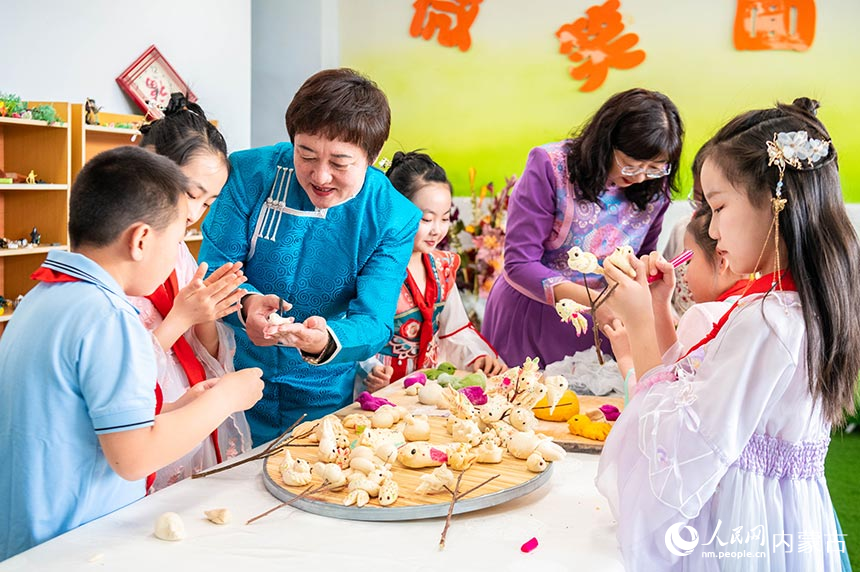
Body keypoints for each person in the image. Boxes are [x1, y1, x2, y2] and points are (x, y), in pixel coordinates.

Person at [596, 97, 859, 570]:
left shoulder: (767, 321)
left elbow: (682, 448)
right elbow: (693, 388)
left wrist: (637, 320)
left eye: (718, 207)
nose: (713, 231)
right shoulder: (795, 306)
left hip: (738, 527)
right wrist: (656, 307)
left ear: (776, 204)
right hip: (779, 518)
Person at [0, 146, 264, 560]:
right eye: (178, 240)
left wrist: (177, 407)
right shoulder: (108, 316)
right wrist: (225, 398)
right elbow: (134, 458)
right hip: (73, 545)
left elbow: (79, 422)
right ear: (141, 239)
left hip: (28, 534)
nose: (178, 254)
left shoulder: (43, 297)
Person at [199, 68, 421, 444]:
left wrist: (324, 340)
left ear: (373, 155)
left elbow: (373, 319)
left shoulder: (392, 216)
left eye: (339, 163)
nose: (320, 176)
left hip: (324, 383)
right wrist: (248, 305)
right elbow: (215, 266)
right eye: (306, 154)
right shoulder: (250, 173)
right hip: (231, 367)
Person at [482, 88, 684, 368]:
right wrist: (595, 302)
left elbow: (641, 258)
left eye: (653, 168)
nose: (639, 177)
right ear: (605, 143)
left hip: (606, 327)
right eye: (629, 165)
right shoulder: (550, 167)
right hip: (534, 315)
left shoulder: (654, 189)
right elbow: (519, 263)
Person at [132, 93, 252, 492]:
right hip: (144, 416)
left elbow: (205, 347)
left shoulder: (180, 250)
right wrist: (182, 316)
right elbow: (119, 369)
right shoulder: (119, 253)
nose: (195, 212)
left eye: (209, 201)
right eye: (192, 193)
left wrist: (209, 312)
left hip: (183, 399)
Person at [361, 151, 506, 391]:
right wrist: (370, 367)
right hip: (380, 386)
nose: (437, 230)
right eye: (426, 219)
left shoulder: (443, 266)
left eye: (445, 218)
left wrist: (477, 358)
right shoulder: (372, 266)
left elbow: (455, 329)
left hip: (426, 388)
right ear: (396, 211)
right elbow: (351, 327)